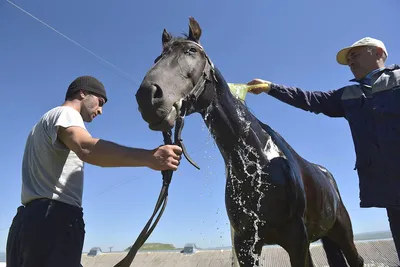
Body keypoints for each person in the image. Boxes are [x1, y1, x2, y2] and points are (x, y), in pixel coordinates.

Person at [246, 37, 400, 260]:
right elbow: (310, 99)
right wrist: (271, 88)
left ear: (378, 53)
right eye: (348, 59)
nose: (351, 62)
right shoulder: (349, 95)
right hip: (392, 194)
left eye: (355, 55)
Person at [6, 75, 183, 267]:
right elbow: (86, 148)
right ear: (82, 93)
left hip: (25, 224)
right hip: (54, 220)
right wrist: (150, 157)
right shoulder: (66, 114)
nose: (100, 110)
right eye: (100, 102)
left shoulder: (40, 125)